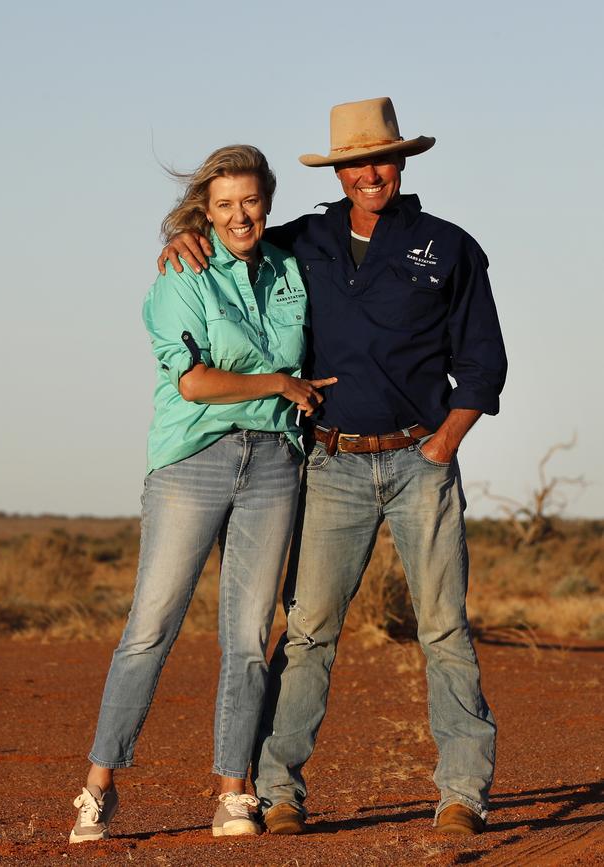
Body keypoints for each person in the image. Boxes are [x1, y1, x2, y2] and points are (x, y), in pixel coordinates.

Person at [158, 98, 508, 837]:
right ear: (339, 171)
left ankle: (462, 792)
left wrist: (443, 442)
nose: (368, 174)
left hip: (422, 460)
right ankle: (280, 790)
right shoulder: (302, 240)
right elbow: (234, 236)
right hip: (332, 463)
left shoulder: (448, 248)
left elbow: (484, 363)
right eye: (354, 163)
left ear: (401, 162)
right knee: (310, 629)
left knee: (443, 627)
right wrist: (182, 235)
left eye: (379, 159)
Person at [69, 144, 336, 843]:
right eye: (223, 205)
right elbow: (193, 380)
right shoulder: (181, 274)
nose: (239, 214)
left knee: (247, 637)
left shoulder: (288, 269)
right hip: (194, 459)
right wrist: (279, 382)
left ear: (267, 202)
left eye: (249, 200)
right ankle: (98, 785)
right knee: (150, 627)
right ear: (204, 212)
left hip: (276, 462)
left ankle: (232, 792)